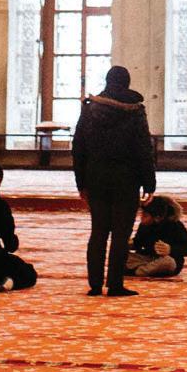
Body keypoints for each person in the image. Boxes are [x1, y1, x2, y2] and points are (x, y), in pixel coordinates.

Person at [72, 65, 156, 297]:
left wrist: (81, 183)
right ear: (127, 83)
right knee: (120, 234)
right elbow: (143, 150)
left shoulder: (90, 109)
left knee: (98, 232)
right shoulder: (134, 111)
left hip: (96, 178)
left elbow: (78, 148)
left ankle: (95, 284)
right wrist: (149, 183)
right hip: (126, 180)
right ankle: (115, 284)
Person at [127, 194, 187, 279]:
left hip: (167, 260)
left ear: (157, 217)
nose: (141, 217)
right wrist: (129, 244)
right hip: (147, 258)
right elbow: (138, 243)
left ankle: (137, 271)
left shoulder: (175, 226)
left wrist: (170, 249)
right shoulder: (144, 225)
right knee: (122, 256)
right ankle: (143, 270)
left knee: (167, 262)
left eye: (145, 215)